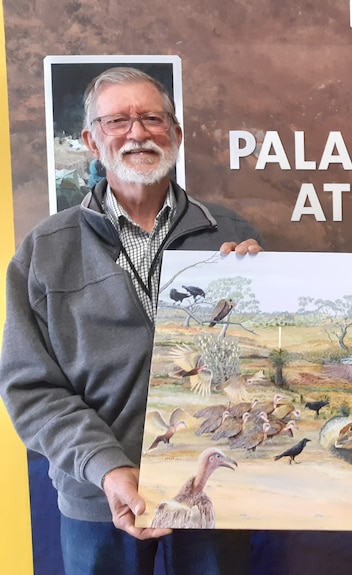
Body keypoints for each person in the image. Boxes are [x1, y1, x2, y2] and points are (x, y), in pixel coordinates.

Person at [0, 67, 264, 574]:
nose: (137, 132)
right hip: (97, 496)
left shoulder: (231, 237)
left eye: (151, 118)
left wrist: (259, 287)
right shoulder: (46, 250)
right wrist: (106, 467)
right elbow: (30, 389)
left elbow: (258, 364)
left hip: (212, 490)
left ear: (176, 133)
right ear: (91, 139)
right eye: (118, 120)